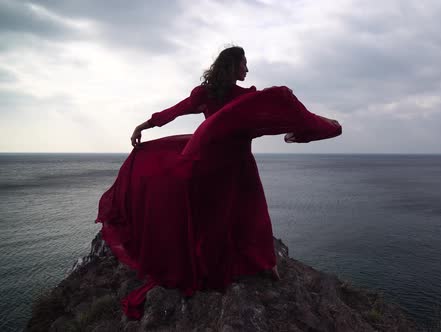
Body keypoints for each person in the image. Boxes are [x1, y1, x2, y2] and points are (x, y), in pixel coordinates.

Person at [96, 46, 342, 319]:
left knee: (240, 215)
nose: (247, 70)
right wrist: (146, 125)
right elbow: (175, 111)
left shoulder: (236, 96)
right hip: (222, 166)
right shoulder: (220, 95)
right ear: (232, 66)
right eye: (243, 64)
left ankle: (262, 263)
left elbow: (178, 112)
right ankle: (261, 265)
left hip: (223, 164)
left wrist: (146, 125)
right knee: (244, 215)